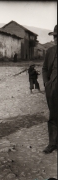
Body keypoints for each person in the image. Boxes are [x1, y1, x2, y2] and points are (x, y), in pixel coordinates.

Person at [42, 25, 57, 154]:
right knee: (53, 115)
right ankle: (52, 143)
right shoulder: (50, 51)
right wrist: (47, 84)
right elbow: (45, 69)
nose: (56, 38)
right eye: (55, 36)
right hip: (53, 88)